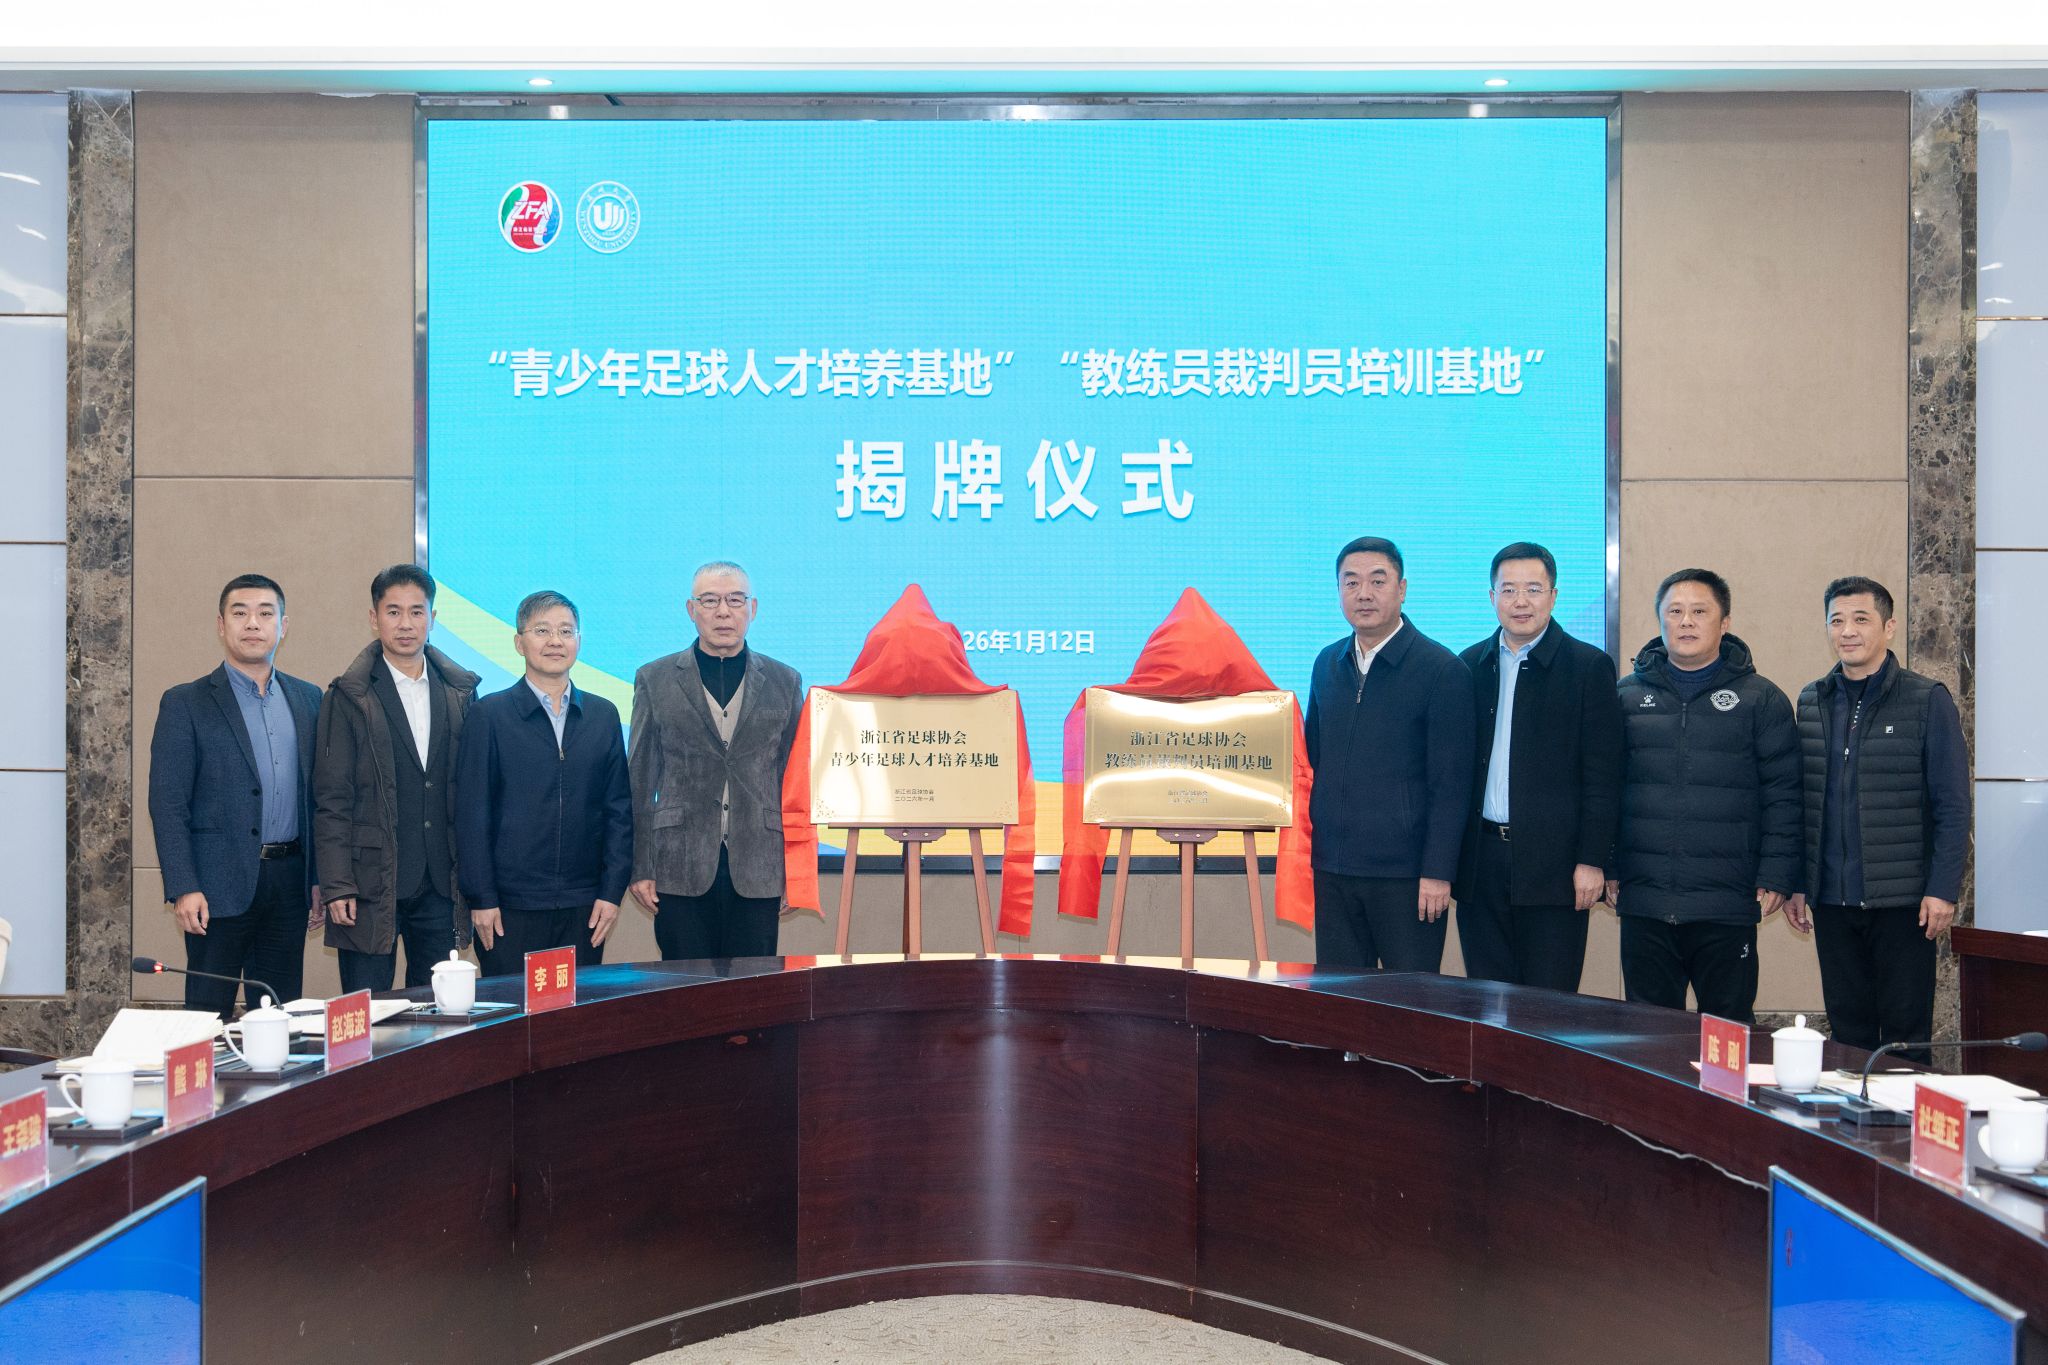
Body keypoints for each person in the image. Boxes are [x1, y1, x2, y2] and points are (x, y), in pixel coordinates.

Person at [1785, 576, 1969, 1062]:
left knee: (1905, 1038)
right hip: (1832, 901)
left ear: (1888, 627)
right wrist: (1799, 882)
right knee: (1848, 1036)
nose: (1847, 631)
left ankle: (1905, 1114)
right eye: (1837, 620)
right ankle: (1853, 1115)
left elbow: (1953, 805)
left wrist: (1943, 888)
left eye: (1861, 619)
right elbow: (1802, 802)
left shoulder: (1927, 699)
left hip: (1903, 903)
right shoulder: (1812, 700)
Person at [1612, 568, 1800, 1025]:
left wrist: (1777, 874)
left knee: (1728, 1033)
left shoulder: (1761, 699)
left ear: (1725, 622)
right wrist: (1609, 866)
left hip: (1727, 903)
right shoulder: (1625, 696)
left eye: (1700, 611)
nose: (1686, 622)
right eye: (1675, 612)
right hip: (1646, 901)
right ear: (1660, 620)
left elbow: (1785, 795)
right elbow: (1605, 791)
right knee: (1648, 1035)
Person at [147, 574, 321, 1017]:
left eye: (265, 613)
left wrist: (318, 879)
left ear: (283, 626)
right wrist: (183, 886)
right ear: (221, 625)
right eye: (240, 613)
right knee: (208, 1017)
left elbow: (318, 799)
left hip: (289, 882)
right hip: (215, 887)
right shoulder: (186, 703)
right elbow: (168, 804)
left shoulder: (309, 699)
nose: (253, 624)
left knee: (281, 1014)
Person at [1454, 542, 1624, 992]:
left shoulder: (1587, 667)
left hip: (1556, 866)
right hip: (1482, 862)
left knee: (1549, 1002)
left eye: (1533, 589)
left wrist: (1592, 860)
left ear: (1553, 595)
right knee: (1487, 998)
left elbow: (1603, 777)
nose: (1520, 601)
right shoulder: (1468, 665)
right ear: (1492, 597)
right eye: (1508, 590)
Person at [1306, 537, 1476, 971]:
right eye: (1351, 582)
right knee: (1339, 999)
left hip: (1408, 879)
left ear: (1402, 589)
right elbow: (1315, 758)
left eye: (1377, 581)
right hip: (1335, 871)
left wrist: (1438, 871)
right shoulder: (1327, 663)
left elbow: (1452, 785)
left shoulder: (1442, 670)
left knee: (1410, 1002)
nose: (1364, 593)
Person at [313, 565, 481, 993]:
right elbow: (332, 798)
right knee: (367, 1011)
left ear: (432, 618)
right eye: (393, 612)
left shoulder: (460, 692)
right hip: (368, 884)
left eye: (416, 612)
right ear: (374, 618)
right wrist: (337, 884)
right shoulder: (348, 696)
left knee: (436, 1010)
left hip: (440, 885)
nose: (405, 624)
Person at [627, 562, 804, 961]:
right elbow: (639, 781)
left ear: (752, 608)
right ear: (691, 610)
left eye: (735, 600)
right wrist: (641, 867)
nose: (723, 611)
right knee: (685, 987)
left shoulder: (785, 681)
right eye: (710, 601)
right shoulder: (655, 678)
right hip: (678, 865)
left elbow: (795, 782)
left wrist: (797, 872)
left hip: (759, 863)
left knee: (753, 986)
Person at [455, 590, 631, 977]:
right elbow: (472, 815)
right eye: (542, 630)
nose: (555, 641)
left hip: (584, 905)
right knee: (513, 1009)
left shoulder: (602, 715)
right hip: (509, 907)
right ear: (519, 643)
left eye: (566, 631)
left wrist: (611, 892)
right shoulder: (490, 715)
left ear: (579, 641)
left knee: (577, 1010)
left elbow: (618, 812)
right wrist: (481, 898)